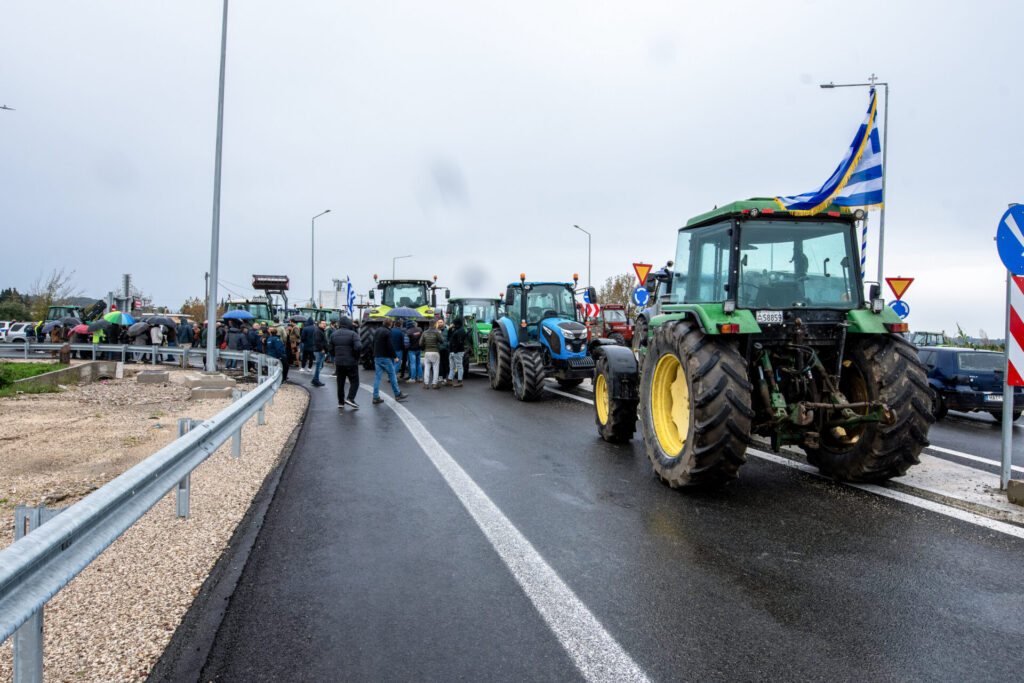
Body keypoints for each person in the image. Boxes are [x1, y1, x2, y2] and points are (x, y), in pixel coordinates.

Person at [372, 318, 408, 404]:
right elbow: (390, 346)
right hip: (385, 357)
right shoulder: (388, 332)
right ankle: (397, 394)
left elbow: (373, 343)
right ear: (391, 324)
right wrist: (395, 356)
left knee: (378, 377)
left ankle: (375, 396)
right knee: (392, 375)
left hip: (377, 356)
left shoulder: (377, 331)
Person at [329, 316, 362, 409]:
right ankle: (350, 398)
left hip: (339, 363)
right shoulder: (353, 334)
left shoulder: (334, 334)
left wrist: (336, 356)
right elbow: (358, 347)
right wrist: (356, 357)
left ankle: (340, 402)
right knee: (355, 382)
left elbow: (330, 348)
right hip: (351, 362)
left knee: (340, 383)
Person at [420, 319, 444, 389]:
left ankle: (426, 384)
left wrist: (424, 348)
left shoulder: (425, 332)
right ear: (435, 324)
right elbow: (442, 341)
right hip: (435, 352)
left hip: (427, 352)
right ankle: (434, 384)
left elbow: (420, 343)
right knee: (435, 368)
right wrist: (440, 334)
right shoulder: (437, 332)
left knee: (427, 368)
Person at [446, 318, 467, 387]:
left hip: (457, 351)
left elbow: (460, 342)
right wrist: (450, 329)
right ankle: (450, 380)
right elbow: (449, 337)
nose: (452, 324)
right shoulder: (456, 329)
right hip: (453, 351)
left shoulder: (460, 331)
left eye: (454, 323)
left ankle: (460, 381)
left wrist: (455, 350)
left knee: (459, 366)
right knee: (452, 366)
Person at [310, 320, 328, 387]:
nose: (324, 325)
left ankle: (315, 379)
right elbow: (318, 342)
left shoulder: (321, 331)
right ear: (319, 324)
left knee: (321, 366)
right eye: (323, 323)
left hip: (319, 351)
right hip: (319, 351)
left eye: (325, 323)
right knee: (319, 366)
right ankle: (316, 380)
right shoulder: (318, 331)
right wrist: (322, 349)